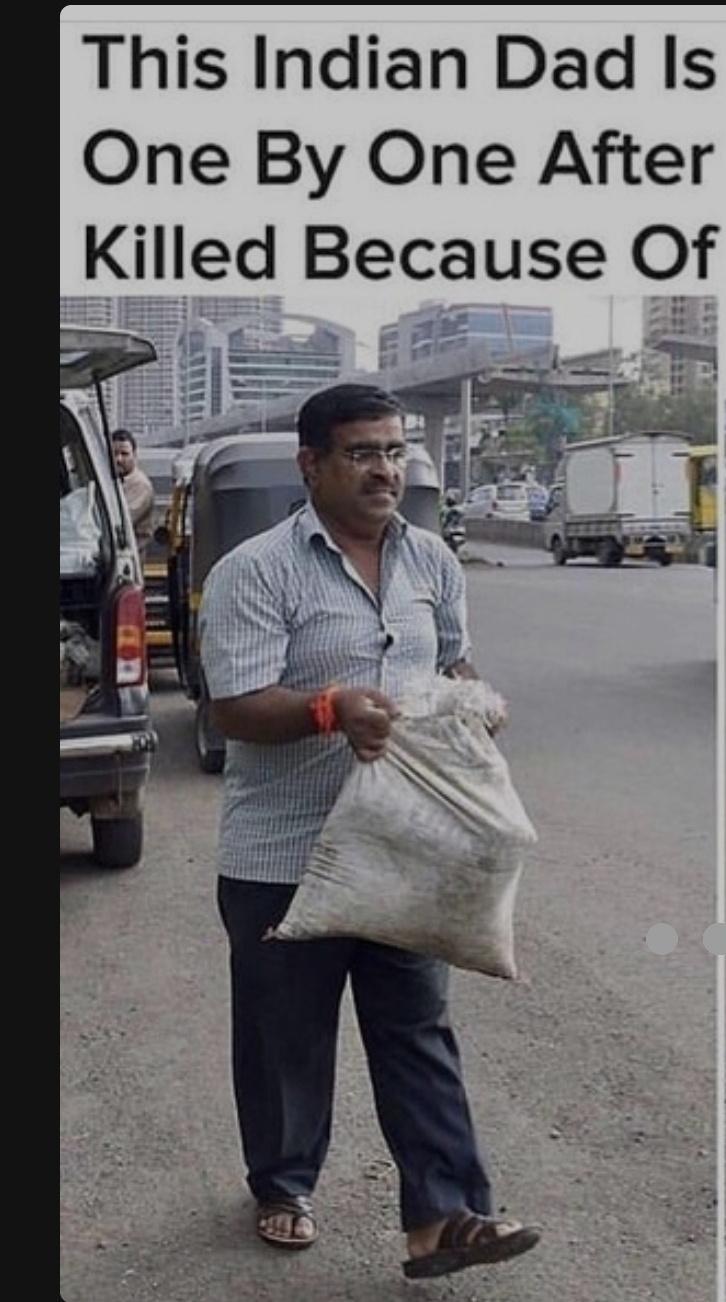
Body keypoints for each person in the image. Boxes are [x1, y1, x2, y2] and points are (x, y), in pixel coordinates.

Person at [198, 384, 539, 1279]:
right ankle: (282, 1183)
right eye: (361, 452)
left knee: (416, 1029)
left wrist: (474, 701)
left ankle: (443, 1217)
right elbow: (235, 706)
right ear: (311, 465)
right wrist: (330, 707)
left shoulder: (431, 562)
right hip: (285, 853)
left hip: (404, 847)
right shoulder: (256, 572)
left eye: (393, 452)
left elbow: (453, 657)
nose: (384, 468)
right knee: (287, 1041)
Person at [111, 429, 155, 544]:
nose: (118, 459)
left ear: (134, 455)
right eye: (114, 454)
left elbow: (120, 521)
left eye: (124, 454)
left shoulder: (140, 485)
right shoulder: (113, 481)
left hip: (129, 555)